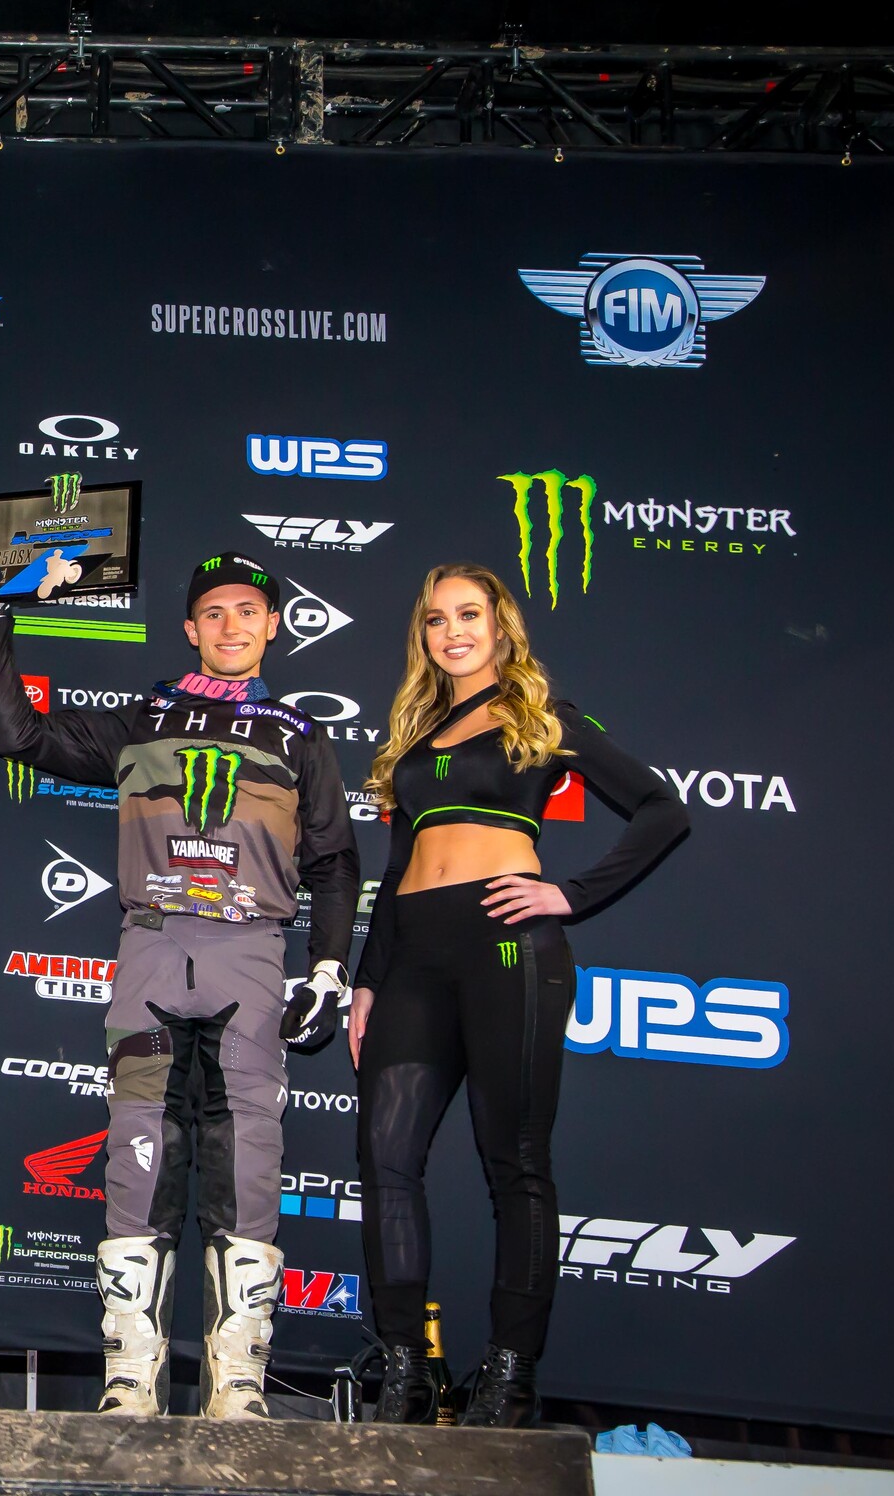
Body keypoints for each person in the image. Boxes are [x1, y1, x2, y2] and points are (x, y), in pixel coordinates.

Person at [0, 548, 359, 1419]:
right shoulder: (143, 717)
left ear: (273, 626)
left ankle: (239, 1384)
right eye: (214, 613)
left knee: (247, 1160)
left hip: (251, 953)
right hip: (151, 950)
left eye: (248, 611)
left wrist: (331, 971)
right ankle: (130, 1377)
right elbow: (21, 736)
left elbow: (335, 864)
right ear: (191, 630)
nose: (232, 626)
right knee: (138, 1152)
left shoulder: (300, 737)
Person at [350, 563, 688, 1428]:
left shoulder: (546, 720)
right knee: (387, 1161)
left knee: (517, 1165)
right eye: (435, 619)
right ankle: (403, 1370)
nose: (452, 631)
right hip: (415, 955)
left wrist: (572, 894)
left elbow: (661, 810)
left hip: (508, 944)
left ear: (502, 626)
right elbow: (394, 872)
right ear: (422, 635)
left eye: (470, 614)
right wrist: (366, 982)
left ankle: (509, 1373)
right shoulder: (418, 735)